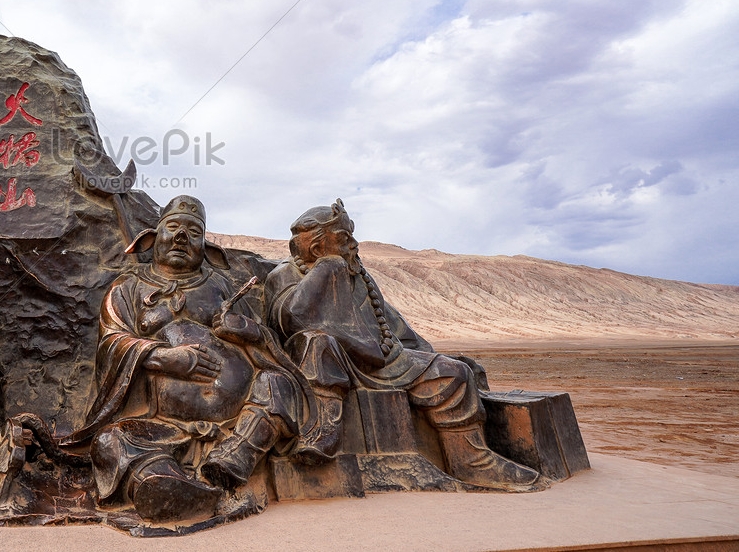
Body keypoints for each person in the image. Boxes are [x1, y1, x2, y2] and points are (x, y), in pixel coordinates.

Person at [63, 196, 313, 523]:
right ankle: (166, 484)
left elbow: (266, 345)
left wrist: (247, 330)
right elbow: (112, 342)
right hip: (160, 424)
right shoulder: (127, 288)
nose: (182, 236)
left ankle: (234, 461)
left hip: (233, 422)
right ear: (151, 238)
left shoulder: (222, 287)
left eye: (194, 231)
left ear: (206, 247)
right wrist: (165, 358)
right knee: (110, 441)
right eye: (173, 227)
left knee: (277, 384)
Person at [263, 199, 538, 490]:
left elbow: (393, 328)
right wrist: (327, 266)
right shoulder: (285, 275)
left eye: (352, 235)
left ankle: (470, 461)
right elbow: (295, 318)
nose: (355, 245)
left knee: (454, 371)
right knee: (317, 342)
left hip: (384, 361)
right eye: (344, 239)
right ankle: (322, 430)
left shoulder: (360, 277)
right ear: (318, 248)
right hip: (327, 364)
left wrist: (430, 356)